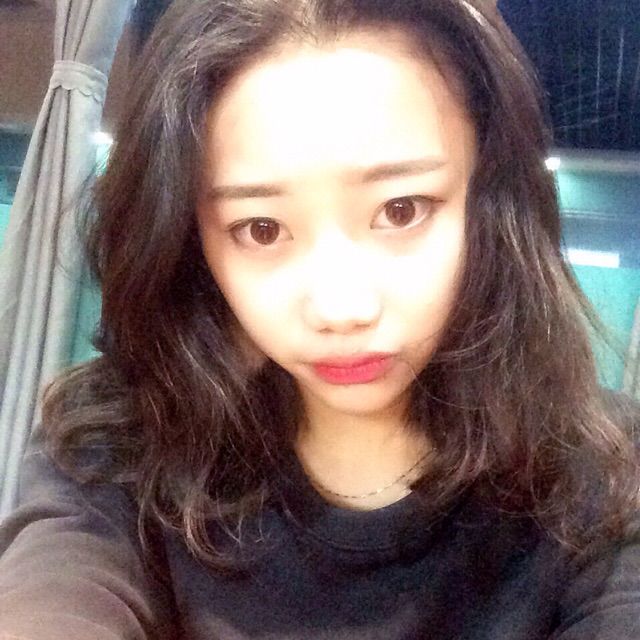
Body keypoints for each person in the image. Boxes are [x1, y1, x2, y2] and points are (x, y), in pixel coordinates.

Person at [1, 0, 639, 637]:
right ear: (192, 242)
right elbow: (57, 591)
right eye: (261, 228)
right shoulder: (118, 442)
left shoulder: (605, 472)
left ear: (489, 202)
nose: (342, 309)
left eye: (402, 210)